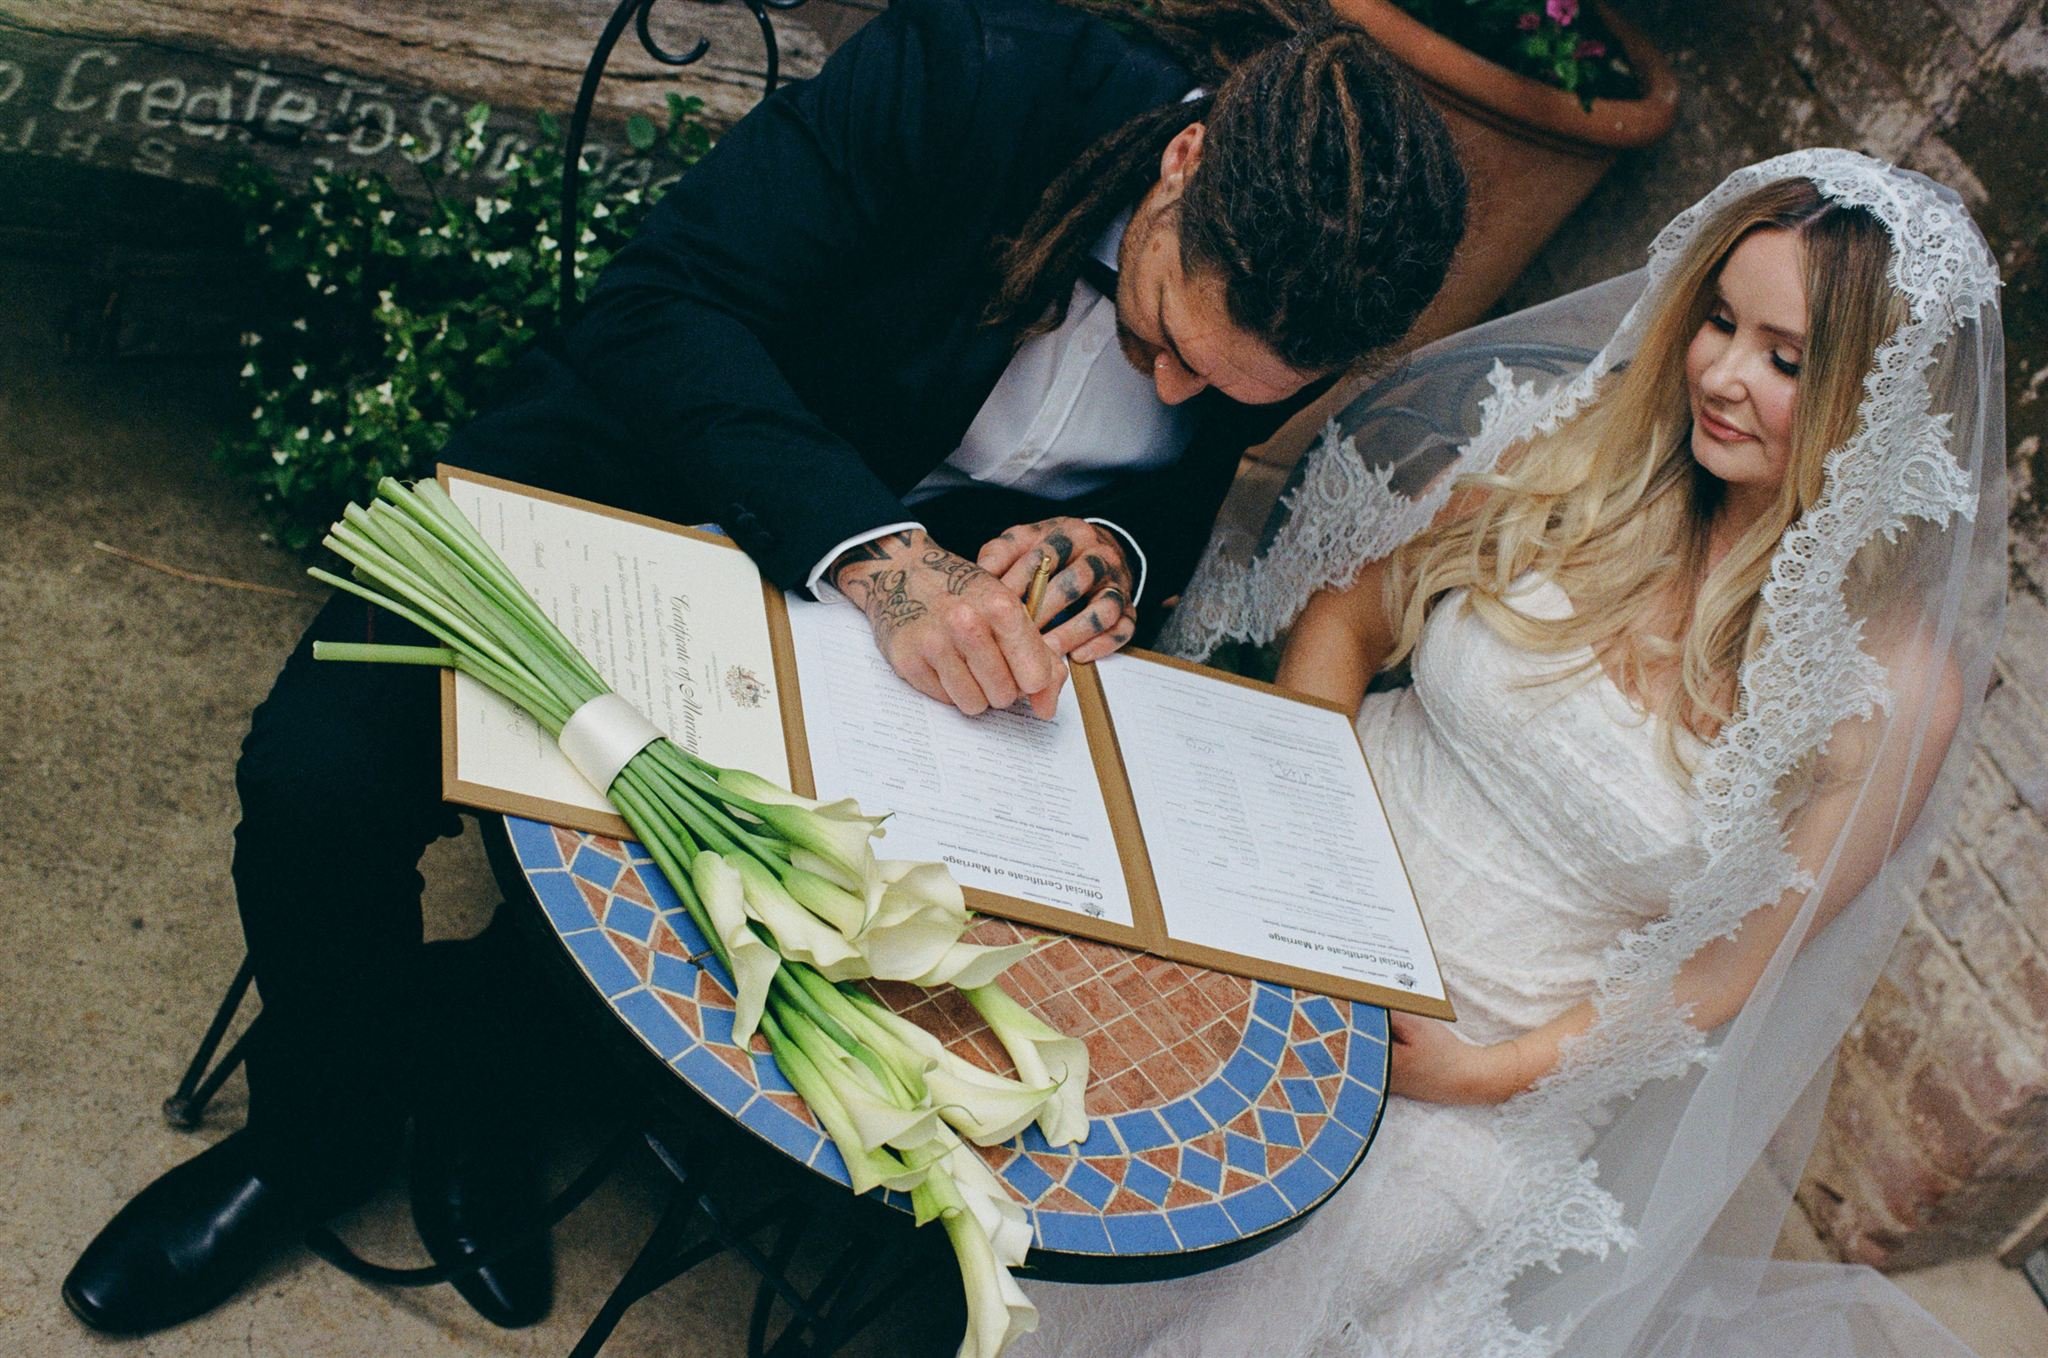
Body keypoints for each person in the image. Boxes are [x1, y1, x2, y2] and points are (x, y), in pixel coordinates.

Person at [60, 0, 1465, 1337]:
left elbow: (1164, 486)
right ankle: (316, 1128)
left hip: (864, 664)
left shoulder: (1274, 282)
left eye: (1220, 392)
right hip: (629, 481)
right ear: (1184, 160)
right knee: (314, 775)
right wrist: (881, 557)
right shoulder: (966, 67)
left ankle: (487, 1085)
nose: (1171, 390)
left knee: (780, 885)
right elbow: (661, 304)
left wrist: (1111, 543)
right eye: (1161, 332)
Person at [1019, 150, 2005, 1356]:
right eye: (1716, 321)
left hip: (1483, 1057)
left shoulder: (1888, 686)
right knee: (1081, 1153)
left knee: (1269, 1280)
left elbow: (1719, 976)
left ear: (1873, 404)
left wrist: (1487, 1072)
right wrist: (1295, 838)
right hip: (1285, 887)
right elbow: (1348, 614)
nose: (1721, 375)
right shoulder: (1574, 456)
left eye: (1784, 358)